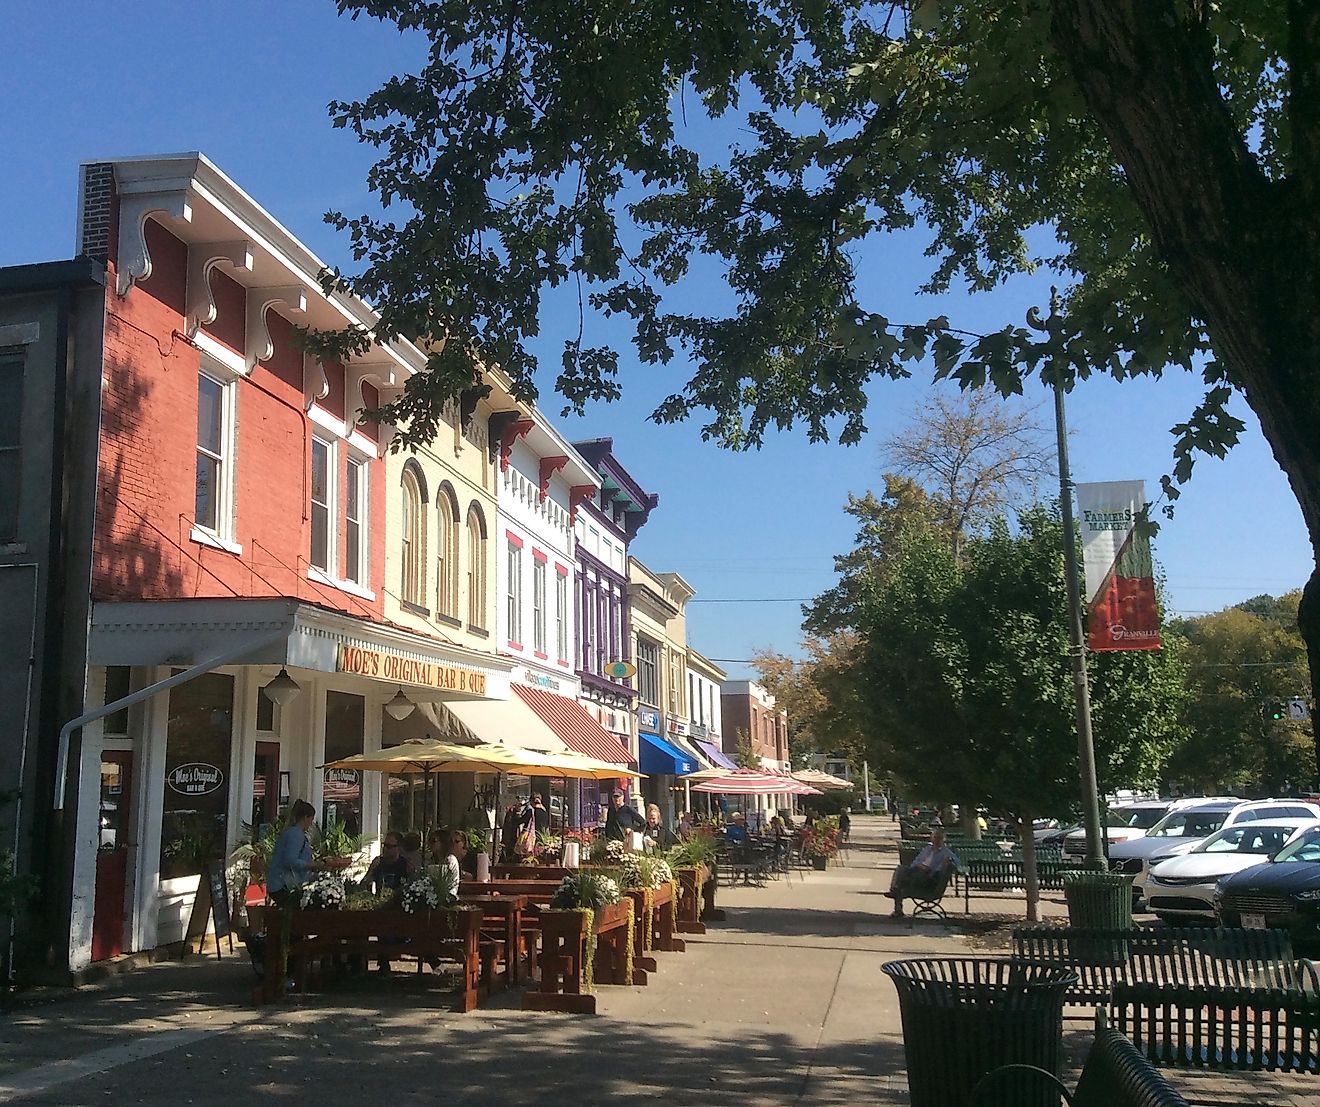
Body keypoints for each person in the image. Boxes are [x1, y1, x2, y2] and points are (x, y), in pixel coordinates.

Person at [266, 800, 337, 991]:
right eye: (311, 819)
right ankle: (287, 972)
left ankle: (290, 970)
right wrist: (315, 865)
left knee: (295, 927)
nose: (311, 824)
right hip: (284, 886)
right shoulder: (296, 834)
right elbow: (290, 861)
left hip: (283, 884)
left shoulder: (292, 834)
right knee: (295, 928)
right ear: (305, 818)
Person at [886, 828, 961, 919]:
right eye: (935, 837)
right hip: (916, 870)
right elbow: (915, 862)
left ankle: (896, 900)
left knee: (902, 884)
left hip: (928, 877)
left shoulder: (946, 852)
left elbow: (957, 862)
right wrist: (919, 865)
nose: (936, 840)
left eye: (939, 838)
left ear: (943, 840)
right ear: (932, 838)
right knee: (900, 869)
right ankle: (894, 890)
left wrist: (947, 862)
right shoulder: (927, 849)